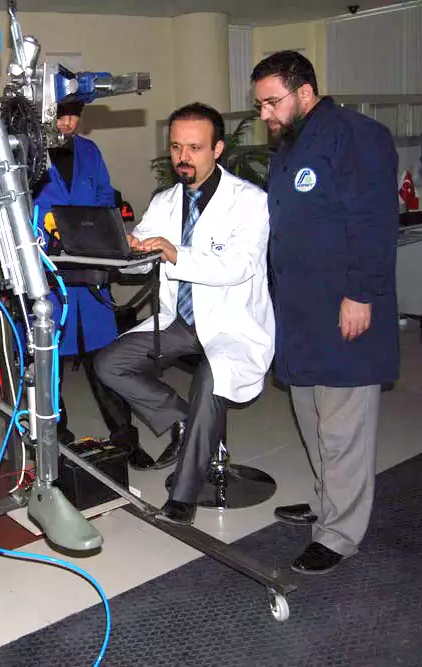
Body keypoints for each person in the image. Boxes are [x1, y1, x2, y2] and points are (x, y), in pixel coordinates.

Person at [251, 51, 399, 574]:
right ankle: (327, 503)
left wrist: (361, 293)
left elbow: (375, 220)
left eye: (272, 102)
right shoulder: (292, 144)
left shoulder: (356, 136)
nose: (265, 113)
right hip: (301, 314)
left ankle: (339, 533)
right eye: (260, 105)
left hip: (343, 309)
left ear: (305, 92)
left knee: (342, 428)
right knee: (313, 419)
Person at [95, 103, 274, 525]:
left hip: (231, 323)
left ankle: (184, 495)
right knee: (109, 364)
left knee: (210, 379)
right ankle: (183, 422)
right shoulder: (165, 201)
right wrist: (127, 250)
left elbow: (239, 266)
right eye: (176, 147)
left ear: (218, 149)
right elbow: (142, 260)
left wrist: (176, 254)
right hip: (180, 320)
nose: (182, 158)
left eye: (194, 148)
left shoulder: (249, 202)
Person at [31, 101, 145, 462]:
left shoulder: (89, 151)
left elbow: (104, 196)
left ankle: (125, 439)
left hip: (90, 273)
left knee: (105, 359)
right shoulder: (25, 154)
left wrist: (104, 232)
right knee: (49, 364)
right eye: (60, 114)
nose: (67, 122)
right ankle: (57, 442)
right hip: (47, 276)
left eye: (73, 114)